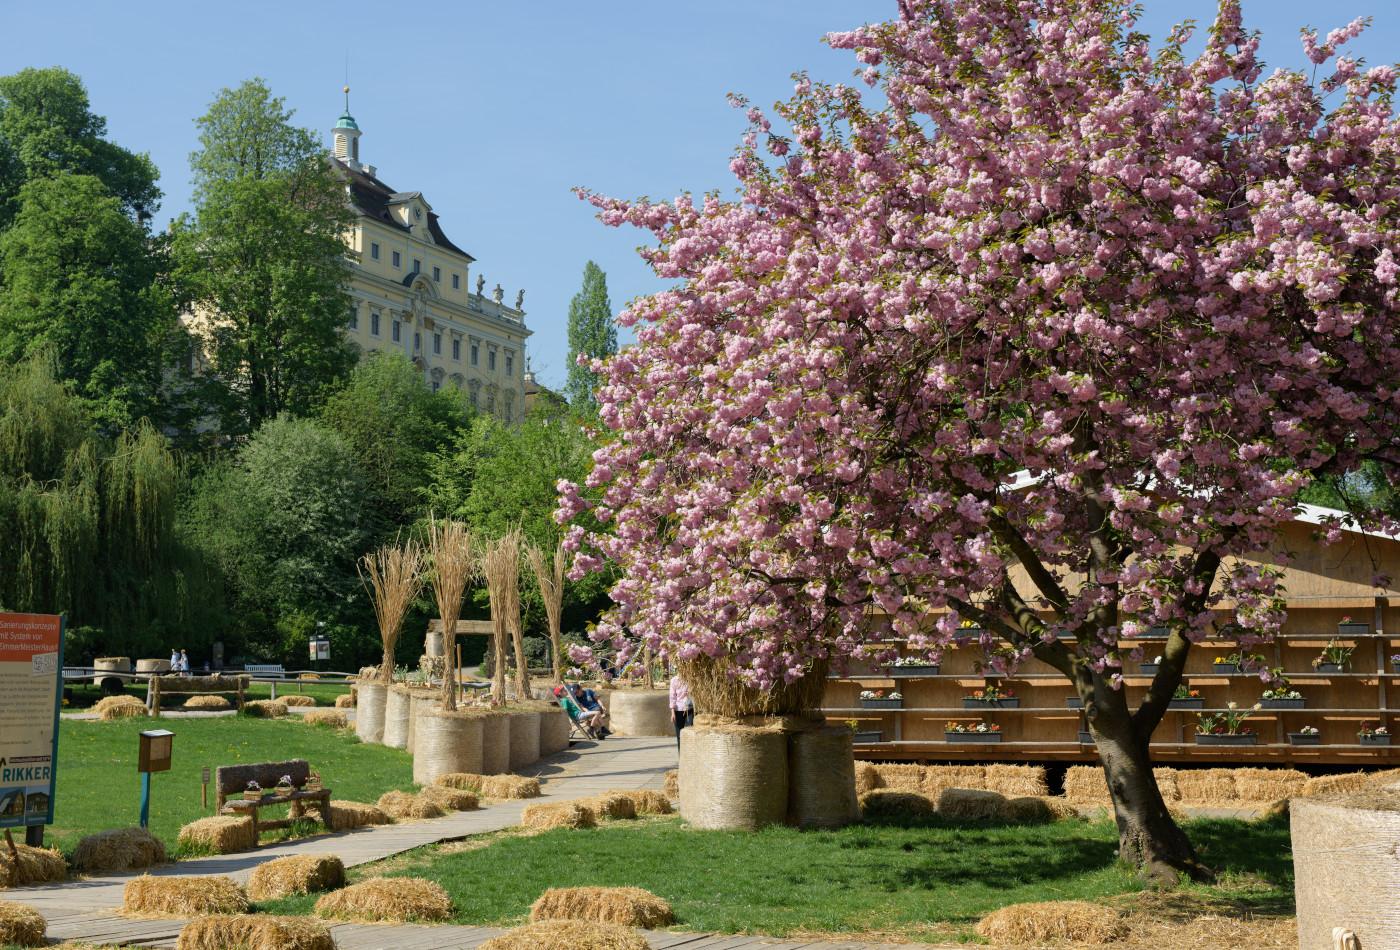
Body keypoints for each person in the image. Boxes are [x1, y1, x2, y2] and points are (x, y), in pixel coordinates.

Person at [668, 671, 694, 749]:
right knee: (679, 735)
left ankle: (689, 755)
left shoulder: (691, 679)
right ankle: (681, 756)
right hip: (678, 710)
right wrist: (672, 713)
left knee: (690, 733)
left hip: (689, 709)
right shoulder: (674, 680)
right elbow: (672, 697)